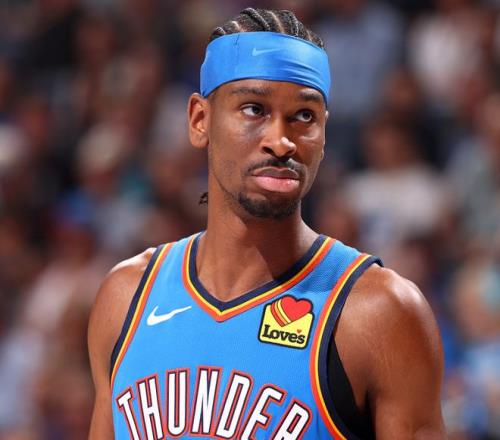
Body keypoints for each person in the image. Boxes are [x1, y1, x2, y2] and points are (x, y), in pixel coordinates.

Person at [88, 8, 446, 439]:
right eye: (254, 109)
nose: (281, 141)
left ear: (325, 135)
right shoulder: (126, 297)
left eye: (304, 116)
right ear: (200, 120)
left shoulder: (380, 313)